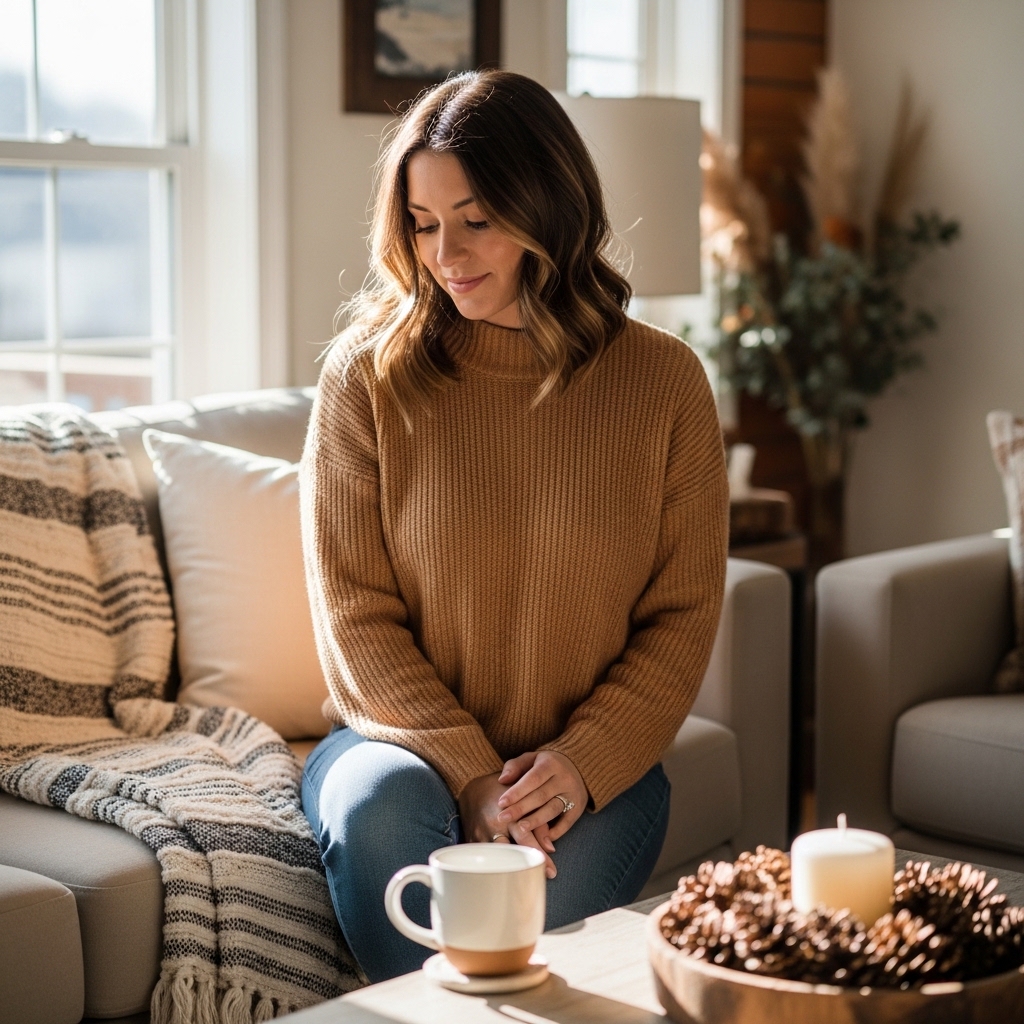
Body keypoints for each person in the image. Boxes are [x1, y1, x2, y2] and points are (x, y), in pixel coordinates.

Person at [299, 69, 728, 984]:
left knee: (510, 946)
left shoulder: (665, 383)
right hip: (395, 749)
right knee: (381, 811)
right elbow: (353, 617)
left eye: (477, 219)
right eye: (422, 223)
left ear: (548, 207)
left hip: (584, 769)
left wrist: (581, 761)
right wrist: (470, 774)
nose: (445, 254)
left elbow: (681, 618)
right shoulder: (364, 379)